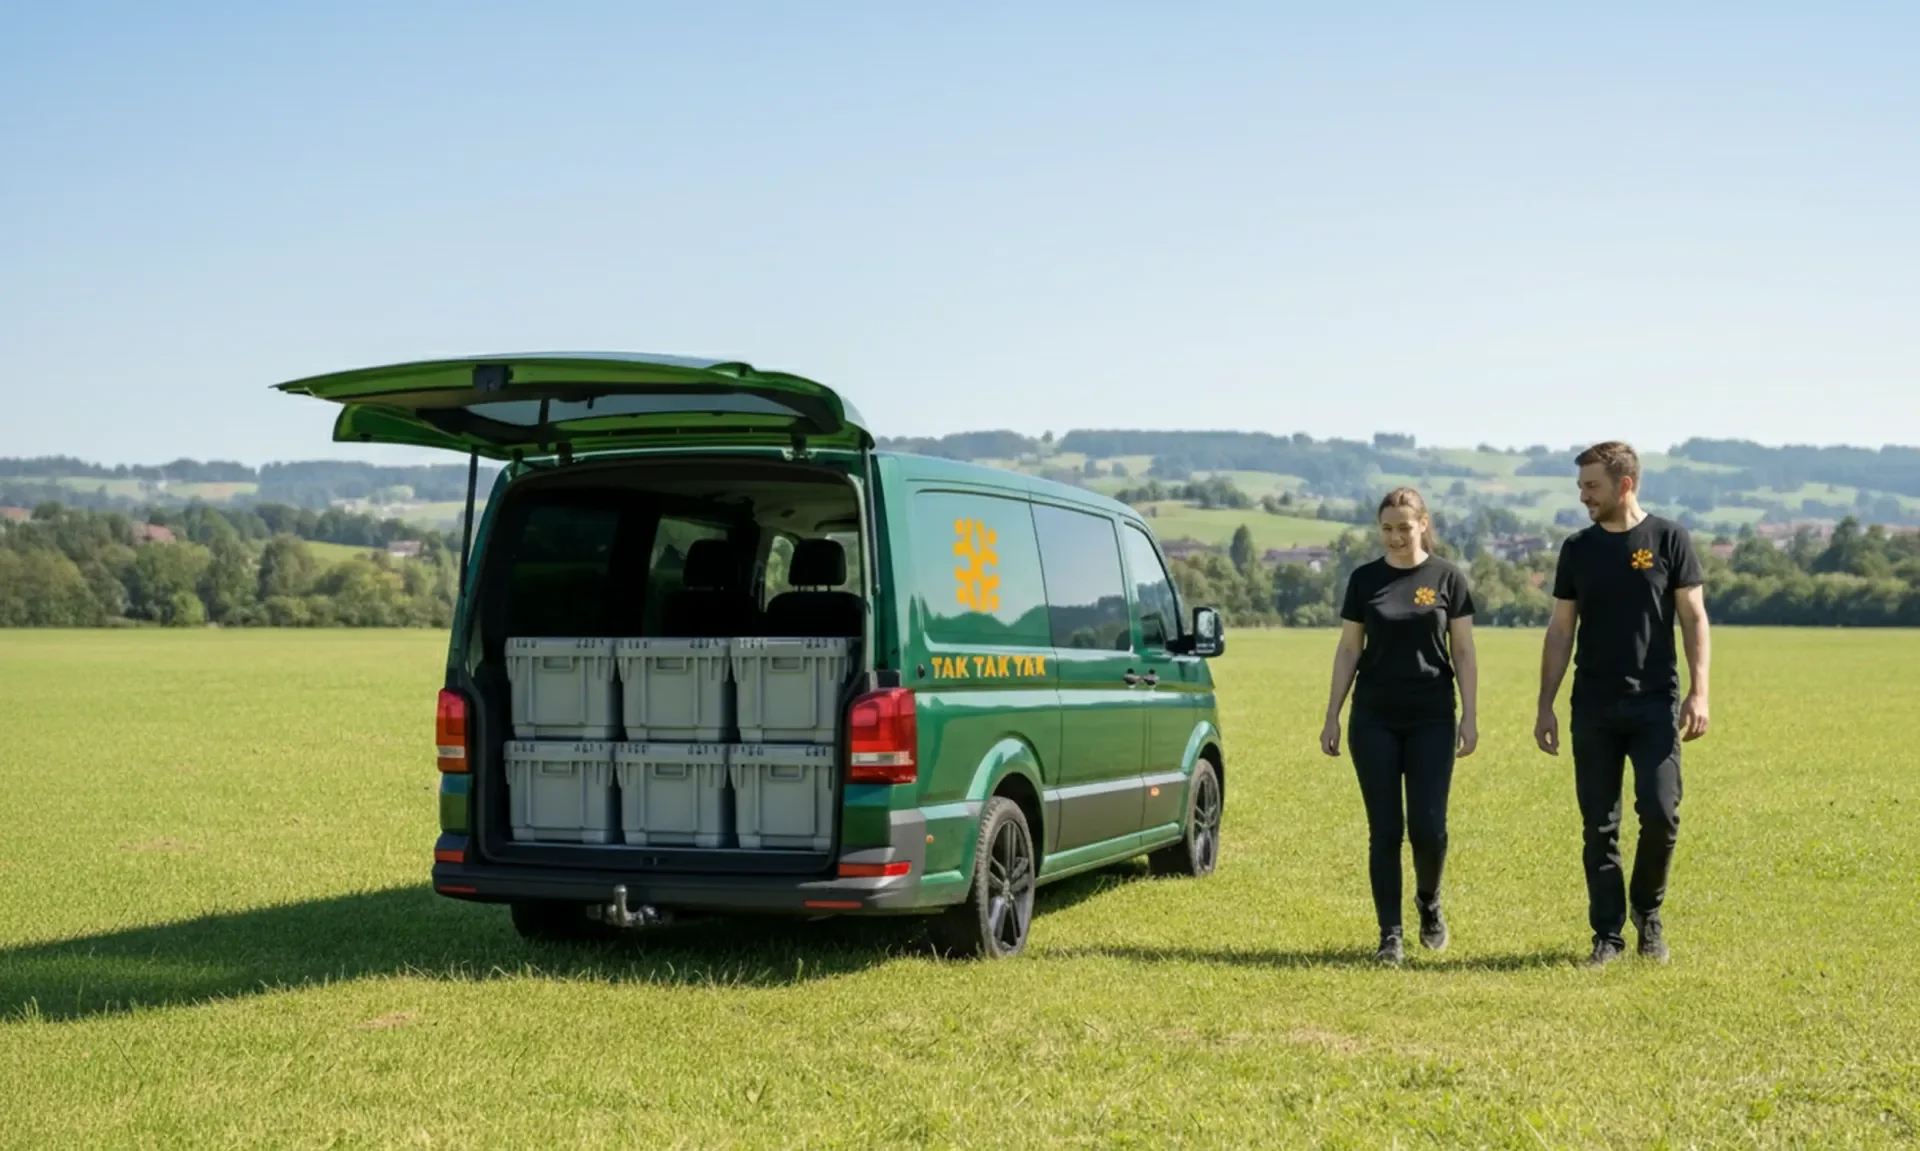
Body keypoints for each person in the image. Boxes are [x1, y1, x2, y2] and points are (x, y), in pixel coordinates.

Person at [1536, 441, 1711, 968]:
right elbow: (1561, 628)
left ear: (1624, 484)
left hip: (1655, 704)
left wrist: (1700, 691)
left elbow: (1694, 618)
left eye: (1592, 486)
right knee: (1599, 825)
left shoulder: (1669, 539)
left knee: (1660, 815)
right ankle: (1607, 936)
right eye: (1581, 486)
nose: (1583, 496)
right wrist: (1545, 703)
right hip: (1592, 705)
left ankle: (1648, 916)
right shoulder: (1577, 549)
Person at [1321, 487, 1479, 964]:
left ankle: (1429, 903)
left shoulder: (1448, 578)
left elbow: (1464, 651)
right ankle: (1390, 934)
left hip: (1431, 714)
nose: (1394, 536)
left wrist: (1470, 714)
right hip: (1374, 718)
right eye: (1386, 528)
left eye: (1403, 527)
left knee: (1428, 829)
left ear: (1423, 524)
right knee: (1385, 830)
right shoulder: (1365, 580)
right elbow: (1350, 648)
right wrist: (1333, 712)